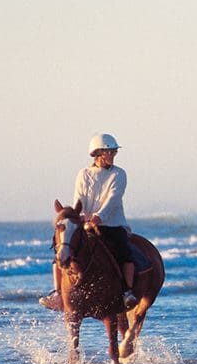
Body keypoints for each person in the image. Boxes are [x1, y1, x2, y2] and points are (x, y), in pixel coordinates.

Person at [40, 133, 142, 311]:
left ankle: (127, 292)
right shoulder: (84, 174)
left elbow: (113, 198)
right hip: (86, 223)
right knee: (61, 249)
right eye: (108, 152)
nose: (111, 155)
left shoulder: (119, 174)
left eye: (113, 152)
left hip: (112, 224)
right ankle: (58, 294)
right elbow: (79, 197)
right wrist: (77, 216)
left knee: (124, 252)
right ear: (97, 153)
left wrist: (98, 217)